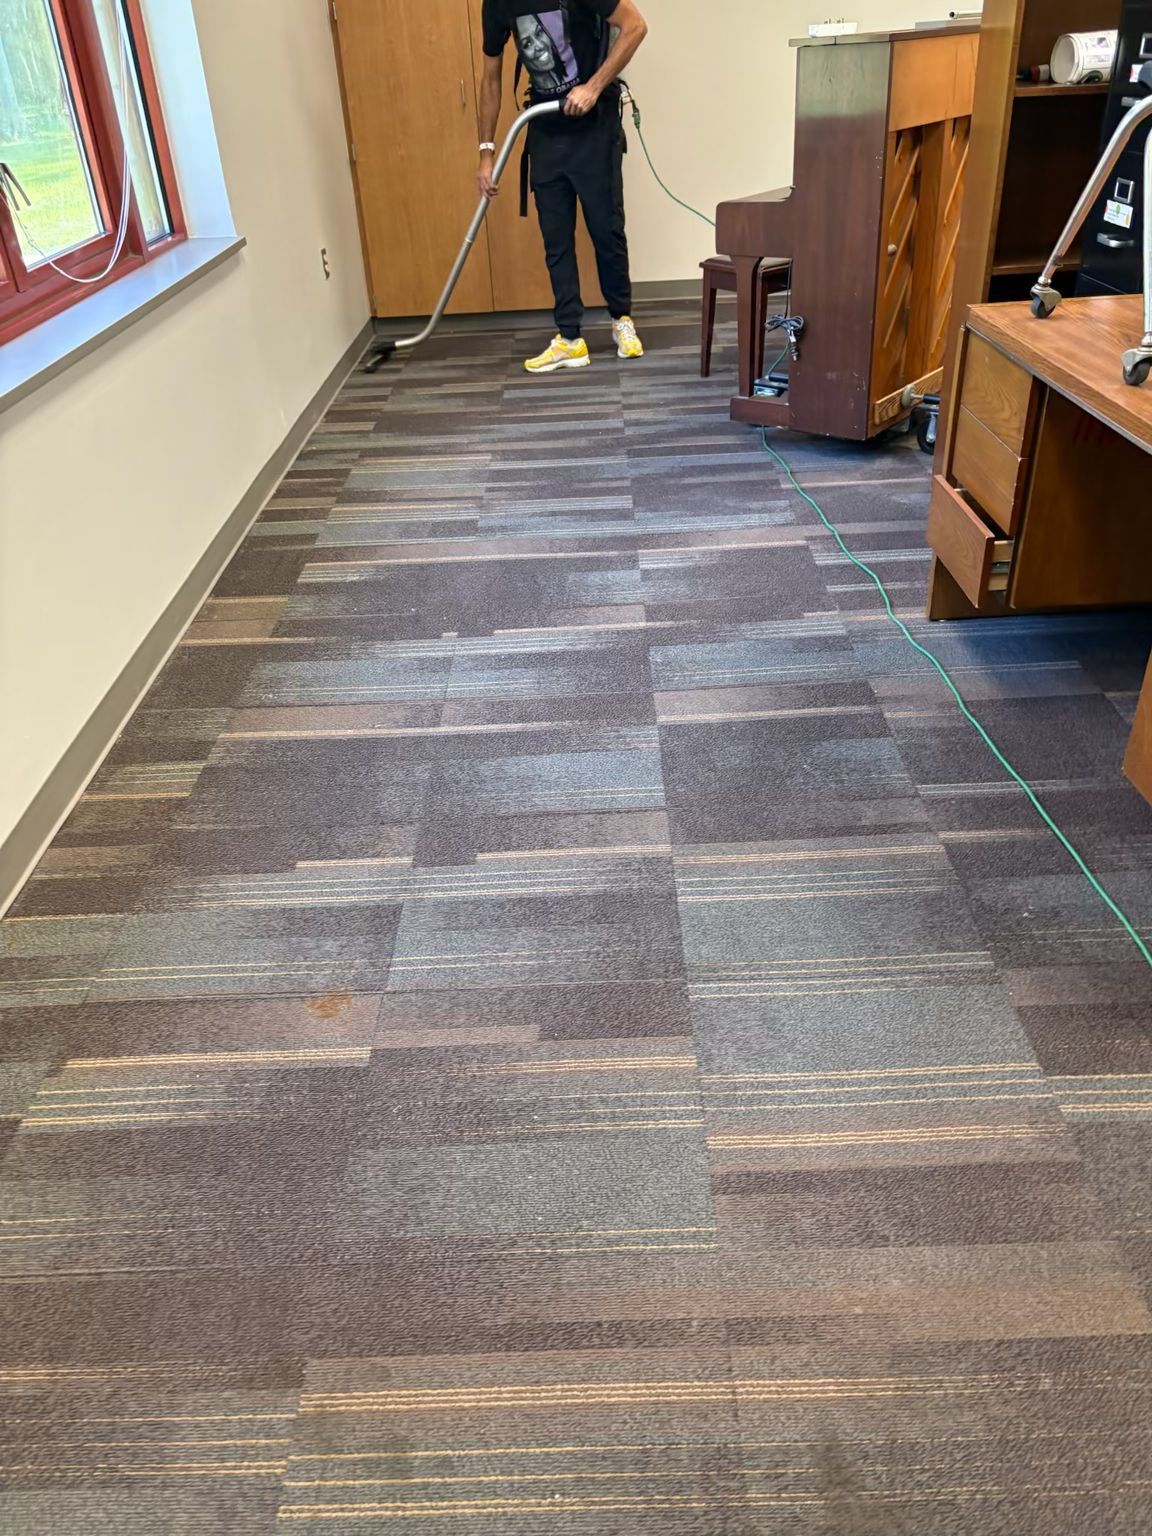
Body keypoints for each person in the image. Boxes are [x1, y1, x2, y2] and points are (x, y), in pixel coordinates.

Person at [478, 2, 649, 375]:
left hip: (594, 129)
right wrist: (486, 151)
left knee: (606, 230)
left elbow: (635, 26)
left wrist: (593, 86)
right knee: (556, 240)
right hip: (546, 130)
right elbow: (490, 77)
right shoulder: (497, 4)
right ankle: (570, 339)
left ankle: (622, 320)